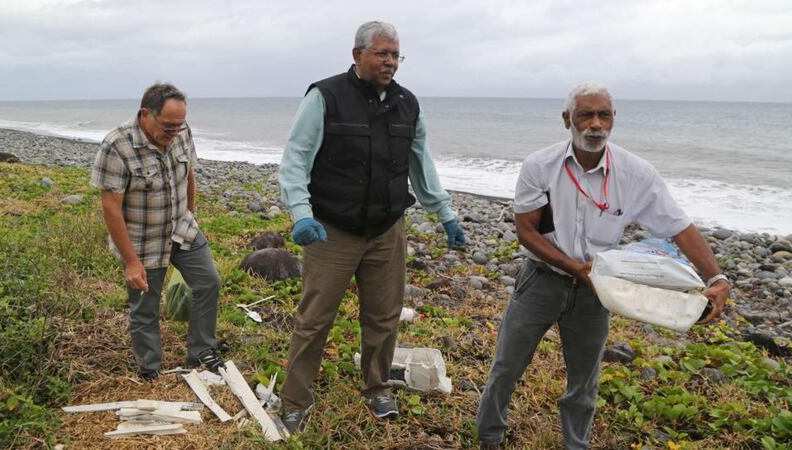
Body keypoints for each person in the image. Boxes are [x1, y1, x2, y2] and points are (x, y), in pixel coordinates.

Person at [475, 82, 729, 449]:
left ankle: (575, 445)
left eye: (604, 115)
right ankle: (489, 437)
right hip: (541, 280)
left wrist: (716, 277)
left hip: (598, 290)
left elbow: (679, 227)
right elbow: (526, 230)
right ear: (567, 120)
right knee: (506, 367)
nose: (596, 124)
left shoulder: (636, 173)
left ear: (613, 119)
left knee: (584, 381)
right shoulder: (540, 165)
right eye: (586, 115)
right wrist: (575, 268)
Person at [278, 20, 466, 432]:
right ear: (357, 55)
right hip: (332, 230)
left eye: (396, 55)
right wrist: (301, 213)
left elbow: (421, 163)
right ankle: (294, 400)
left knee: (384, 316)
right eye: (382, 53)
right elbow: (296, 158)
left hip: (386, 229)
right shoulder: (324, 96)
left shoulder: (407, 104)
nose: (391, 62)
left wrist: (445, 213)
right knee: (315, 319)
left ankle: (377, 387)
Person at [90, 83, 223, 381]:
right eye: (167, 126)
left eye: (179, 125)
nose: (174, 132)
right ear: (145, 114)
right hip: (142, 241)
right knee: (145, 307)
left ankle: (201, 352)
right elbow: (111, 207)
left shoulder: (181, 131)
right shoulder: (117, 145)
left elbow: (189, 173)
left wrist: (191, 215)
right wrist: (131, 261)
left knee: (209, 283)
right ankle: (150, 368)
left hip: (181, 228)